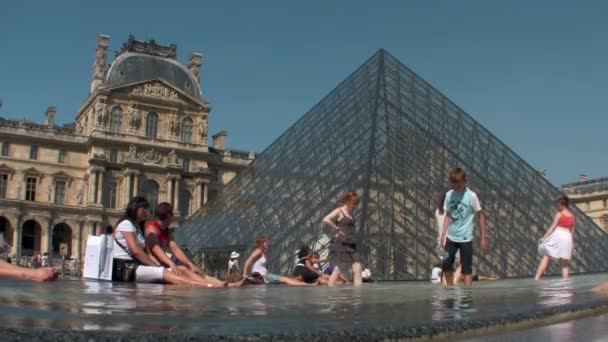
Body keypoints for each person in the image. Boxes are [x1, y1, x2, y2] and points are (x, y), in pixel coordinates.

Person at [113, 197, 212, 286]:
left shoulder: (137, 227)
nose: (146, 212)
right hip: (125, 267)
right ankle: (203, 285)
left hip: (135, 265)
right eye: (143, 208)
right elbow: (136, 251)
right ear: (134, 208)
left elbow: (148, 252)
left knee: (181, 269)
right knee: (165, 273)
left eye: (147, 209)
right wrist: (156, 266)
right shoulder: (126, 224)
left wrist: (157, 265)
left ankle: (207, 283)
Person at [144, 202, 236, 287]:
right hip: (152, 265)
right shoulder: (152, 227)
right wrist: (171, 264)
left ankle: (222, 284)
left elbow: (175, 249)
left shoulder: (166, 230)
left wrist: (190, 264)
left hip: (162, 265)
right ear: (168, 215)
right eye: (172, 213)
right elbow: (155, 249)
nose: (173, 216)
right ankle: (209, 284)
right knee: (184, 270)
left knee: (193, 270)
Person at [440, 168, 488, 287]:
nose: (454, 185)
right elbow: (447, 215)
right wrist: (443, 234)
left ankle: (467, 294)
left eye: (457, 182)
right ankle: (450, 288)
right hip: (451, 237)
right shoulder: (448, 195)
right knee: (445, 263)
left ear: (464, 181)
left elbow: (480, 215)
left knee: (467, 269)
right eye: (452, 182)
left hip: (466, 238)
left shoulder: (471, 196)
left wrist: (483, 237)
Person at [323, 192, 363, 287]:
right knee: (337, 269)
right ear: (348, 201)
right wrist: (336, 228)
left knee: (357, 267)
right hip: (340, 242)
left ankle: (359, 293)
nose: (355, 205)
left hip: (350, 242)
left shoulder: (350, 213)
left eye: (356, 203)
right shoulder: (339, 211)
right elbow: (326, 219)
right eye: (354, 202)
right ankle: (330, 292)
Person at [535, 196, 576, 280]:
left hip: (558, 235)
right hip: (567, 236)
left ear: (562, 205)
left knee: (547, 255)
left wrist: (544, 237)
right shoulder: (572, 216)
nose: (556, 207)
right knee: (565, 263)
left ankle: (537, 278)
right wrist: (571, 243)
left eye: (558, 205)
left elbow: (553, 227)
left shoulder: (559, 214)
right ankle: (565, 281)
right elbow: (572, 231)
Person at [242, 236, 311, 286]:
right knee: (285, 280)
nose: (267, 245)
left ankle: (304, 284)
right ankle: (306, 285)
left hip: (264, 275)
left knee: (285, 279)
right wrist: (244, 274)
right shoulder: (258, 251)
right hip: (263, 276)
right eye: (266, 244)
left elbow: (254, 263)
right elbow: (247, 261)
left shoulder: (262, 252)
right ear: (262, 244)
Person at [435, 193, 447, 260]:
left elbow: (436, 227)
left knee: (445, 265)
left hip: (440, 244)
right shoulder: (449, 213)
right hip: (449, 244)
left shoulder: (437, 211)